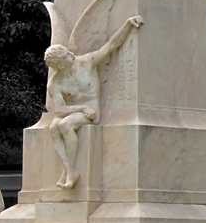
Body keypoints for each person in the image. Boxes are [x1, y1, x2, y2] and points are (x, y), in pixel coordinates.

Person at [45, 15, 143, 189]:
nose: (71, 54)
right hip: (79, 109)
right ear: (60, 65)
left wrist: (127, 24)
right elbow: (58, 110)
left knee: (65, 125)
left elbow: (111, 45)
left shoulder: (86, 63)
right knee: (53, 127)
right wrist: (81, 108)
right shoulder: (55, 84)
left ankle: (69, 172)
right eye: (67, 55)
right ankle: (70, 170)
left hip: (92, 109)